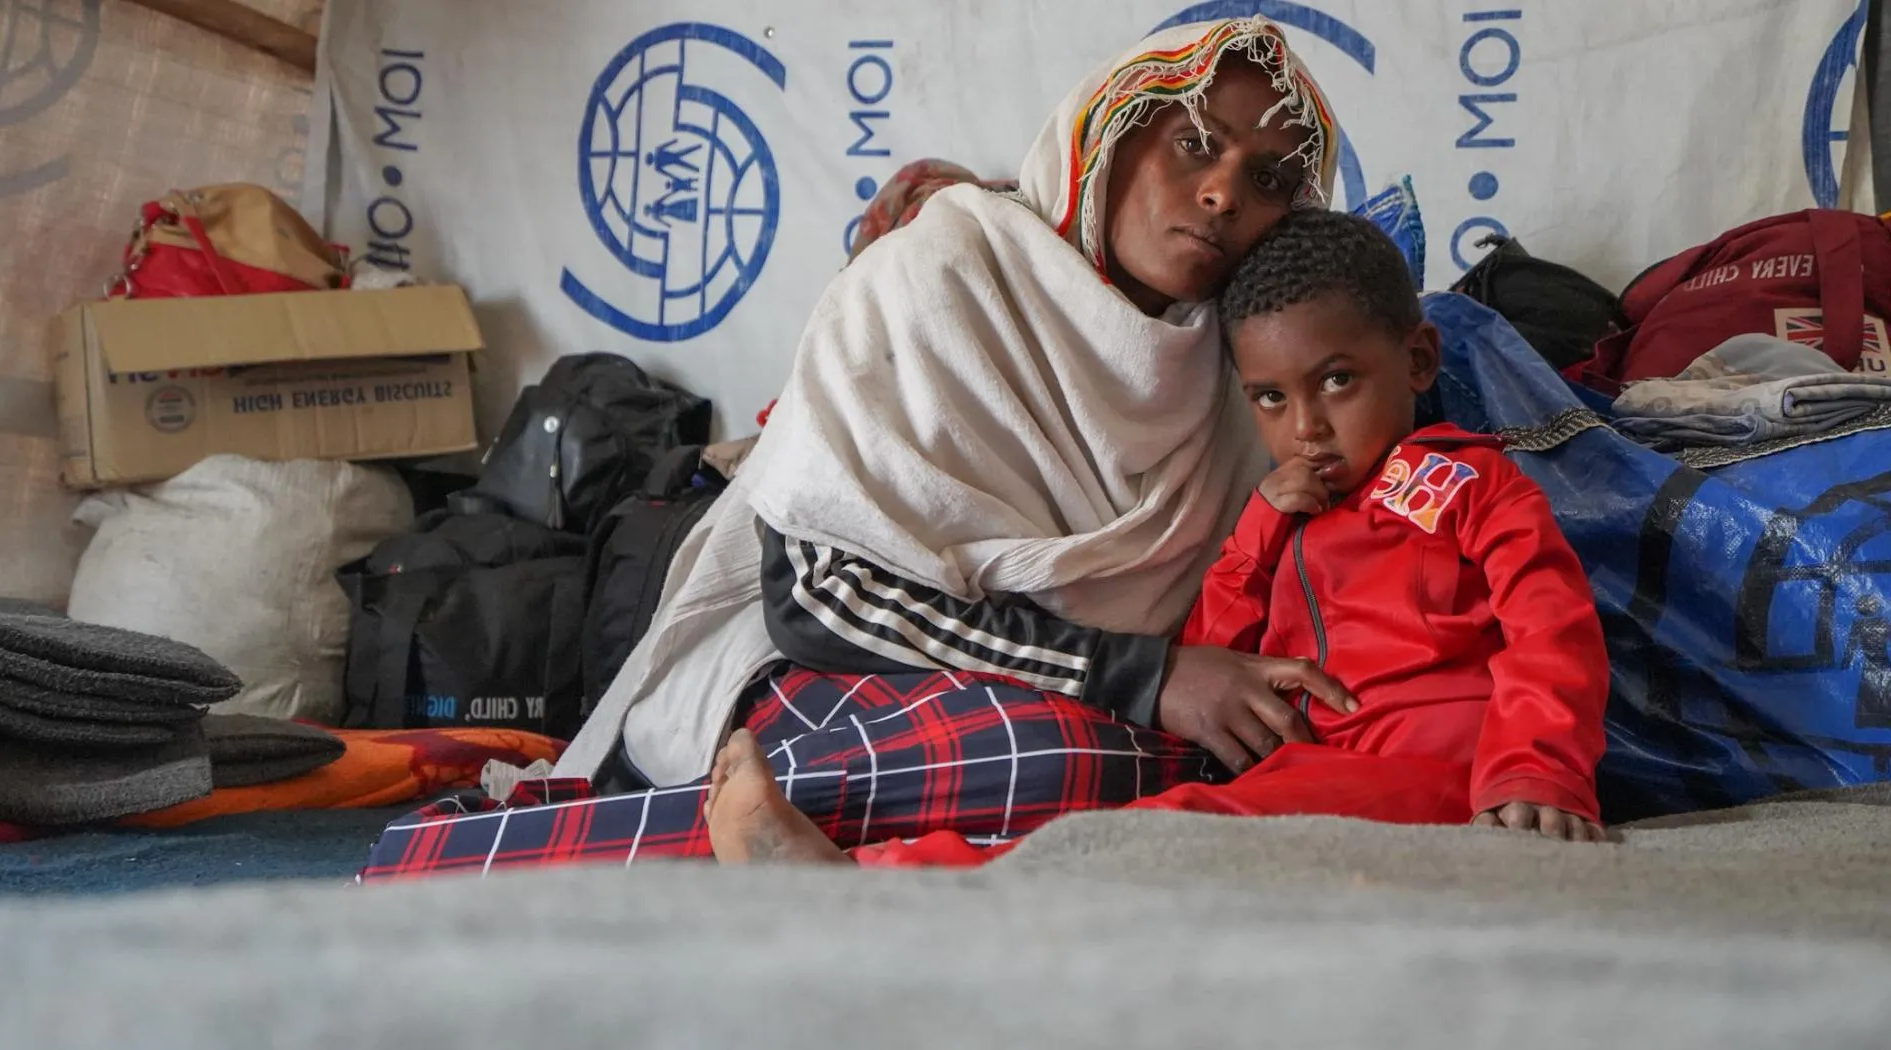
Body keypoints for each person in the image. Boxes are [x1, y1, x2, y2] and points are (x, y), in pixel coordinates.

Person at [360, 18, 1351, 880]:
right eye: (1194, 143)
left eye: (1264, 179)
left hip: (1085, 694)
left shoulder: (1233, 369)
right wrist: (1149, 676)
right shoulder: (937, 274)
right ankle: (525, 850)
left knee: (1201, 772)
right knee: (1051, 763)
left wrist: (1196, 686)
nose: (1223, 193)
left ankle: (825, 865)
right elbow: (821, 600)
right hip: (837, 667)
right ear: (1110, 135)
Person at [700, 209, 1613, 868]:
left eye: (1337, 382)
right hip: (1319, 764)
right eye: (1270, 398)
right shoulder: (1280, 509)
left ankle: (869, 887)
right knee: (1153, 827)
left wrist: (1533, 774)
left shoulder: (1462, 483)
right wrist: (1260, 529)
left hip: (1443, 771)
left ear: (1415, 362)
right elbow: (1215, 645)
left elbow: (1552, 626)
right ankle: (883, 879)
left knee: (1170, 834)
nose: (1306, 427)